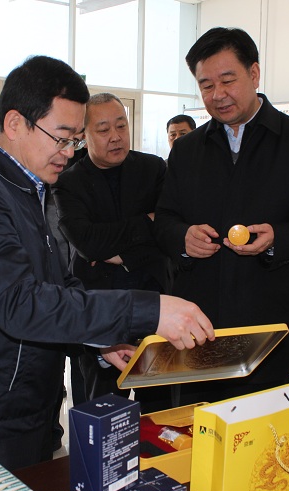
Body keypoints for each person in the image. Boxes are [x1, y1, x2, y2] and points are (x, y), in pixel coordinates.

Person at [0, 55, 214, 471]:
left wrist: (103, 339)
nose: (68, 153)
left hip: (27, 398)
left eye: (75, 140)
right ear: (15, 124)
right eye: (61, 138)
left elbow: (58, 283)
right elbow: (20, 303)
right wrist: (149, 310)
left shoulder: (26, 187)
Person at [154, 27, 289, 406]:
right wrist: (182, 238)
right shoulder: (187, 150)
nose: (217, 94)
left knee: (261, 433)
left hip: (268, 329)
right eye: (206, 85)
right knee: (197, 432)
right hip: (200, 331)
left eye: (227, 80)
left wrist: (278, 239)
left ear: (254, 74)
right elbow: (165, 219)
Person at [53, 93, 172, 406]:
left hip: (154, 301)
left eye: (121, 126)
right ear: (84, 135)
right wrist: (145, 223)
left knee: (158, 406)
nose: (116, 136)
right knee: (101, 406)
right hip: (99, 309)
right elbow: (88, 243)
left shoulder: (153, 168)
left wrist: (118, 253)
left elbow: (167, 230)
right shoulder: (69, 181)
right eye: (104, 129)